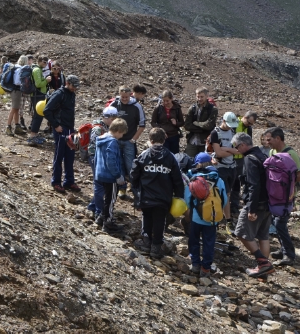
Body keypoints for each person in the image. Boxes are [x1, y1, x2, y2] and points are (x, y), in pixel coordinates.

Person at [130, 127, 184, 258]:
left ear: (150, 140)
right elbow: (177, 179)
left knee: (147, 217)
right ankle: (156, 247)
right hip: (163, 197)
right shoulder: (170, 157)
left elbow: (133, 174)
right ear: (164, 140)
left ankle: (146, 242)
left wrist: (136, 190)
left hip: (146, 195)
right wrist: (179, 196)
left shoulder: (144, 155)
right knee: (160, 221)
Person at [231, 132, 273, 278]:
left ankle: (263, 264)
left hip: (257, 203)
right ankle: (264, 270)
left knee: (241, 232)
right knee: (263, 236)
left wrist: (251, 209)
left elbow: (254, 185)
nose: (236, 150)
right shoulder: (262, 155)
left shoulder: (250, 159)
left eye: (237, 147)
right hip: (268, 202)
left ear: (243, 145)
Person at [264, 127, 300, 267]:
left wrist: (286, 187)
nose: (267, 142)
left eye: (269, 139)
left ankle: (289, 254)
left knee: (280, 224)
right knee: (276, 222)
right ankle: (283, 250)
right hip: (274, 196)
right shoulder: (272, 152)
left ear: (278, 138)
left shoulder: (291, 154)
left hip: (287, 197)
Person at [184, 152, 230, 277]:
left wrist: (191, 210)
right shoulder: (218, 179)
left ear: (197, 164)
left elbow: (187, 199)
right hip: (212, 218)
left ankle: (195, 264)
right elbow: (224, 199)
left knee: (194, 240)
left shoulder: (194, 179)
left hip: (196, 217)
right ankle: (206, 268)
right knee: (209, 243)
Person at [43, 74, 82, 193]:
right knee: (59, 156)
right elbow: (46, 110)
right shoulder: (59, 94)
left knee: (70, 155)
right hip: (60, 129)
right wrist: (56, 125)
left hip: (70, 128)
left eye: (76, 87)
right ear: (67, 83)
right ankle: (56, 182)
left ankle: (69, 181)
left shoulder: (72, 94)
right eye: (73, 86)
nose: (75, 88)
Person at [108, 85, 146, 199]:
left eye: (126, 97)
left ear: (130, 95)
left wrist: (134, 139)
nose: (124, 99)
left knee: (131, 166)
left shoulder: (136, 106)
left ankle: (135, 189)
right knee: (118, 164)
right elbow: (107, 119)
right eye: (122, 97)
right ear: (119, 95)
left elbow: (142, 124)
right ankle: (122, 188)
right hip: (116, 140)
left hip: (129, 141)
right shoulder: (114, 104)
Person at [94, 118, 129, 233]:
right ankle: (108, 223)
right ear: (118, 131)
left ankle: (101, 218)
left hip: (100, 173)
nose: (121, 136)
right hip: (110, 177)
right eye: (122, 134)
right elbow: (111, 161)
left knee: (107, 198)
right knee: (110, 200)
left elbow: (96, 157)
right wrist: (118, 175)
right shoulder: (112, 142)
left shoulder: (101, 139)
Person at [209, 112, 241, 228]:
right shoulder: (215, 133)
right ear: (223, 121)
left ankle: (223, 216)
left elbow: (238, 150)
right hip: (220, 167)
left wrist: (226, 149)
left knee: (228, 192)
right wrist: (231, 151)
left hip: (231, 166)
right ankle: (227, 219)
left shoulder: (233, 131)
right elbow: (218, 153)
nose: (230, 127)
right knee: (225, 193)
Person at [87, 107, 119, 221]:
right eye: (113, 118)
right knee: (99, 185)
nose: (114, 121)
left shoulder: (107, 127)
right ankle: (99, 211)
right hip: (96, 158)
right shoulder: (98, 129)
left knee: (100, 185)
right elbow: (95, 145)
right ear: (108, 117)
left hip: (100, 158)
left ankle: (92, 207)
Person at [231, 111, 258, 217]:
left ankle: (234, 205)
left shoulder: (249, 129)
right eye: (249, 122)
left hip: (241, 159)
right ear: (245, 117)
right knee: (229, 181)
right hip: (230, 157)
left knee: (237, 182)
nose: (249, 125)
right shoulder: (234, 124)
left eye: (251, 124)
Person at [184, 87, 218, 157]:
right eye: (198, 97)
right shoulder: (192, 108)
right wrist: (201, 129)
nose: (199, 99)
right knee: (188, 160)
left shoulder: (213, 109)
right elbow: (187, 125)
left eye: (202, 97)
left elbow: (209, 125)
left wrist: (195, 123)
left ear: (207, 96)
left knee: (204, 161)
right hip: (192, 140)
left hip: (205, 142)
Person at [26, 54, 51, 145]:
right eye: (44, 62)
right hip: (37, 95)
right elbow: (38, 84)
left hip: (39, 94)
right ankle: (32, 136)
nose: (45, 64)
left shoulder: (39, 69)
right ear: (39, 61)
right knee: (38, 115)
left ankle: (35, 134)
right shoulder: (37, 70)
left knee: (39, 115)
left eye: (46, 63)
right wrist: (46, 81)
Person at [150, 90, 184, 154]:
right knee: (164, 155)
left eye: (167, 101)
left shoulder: (177, 108)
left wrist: (176, 123)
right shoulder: (158, 108)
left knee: (175, 155)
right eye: (164, 101)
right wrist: (160, 130)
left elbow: (182, 122)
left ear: (171, 99)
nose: (165, 103)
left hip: (174, 136)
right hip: (162, 137)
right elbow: (153, 122)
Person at [6, 55, 28, 135]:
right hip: (16, 91)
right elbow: (17, 82)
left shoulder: (16, 68)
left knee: (16, 109)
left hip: (15, 90)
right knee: (14, 109)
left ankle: (17, 126)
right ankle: (8, 127)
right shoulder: (20, 69)